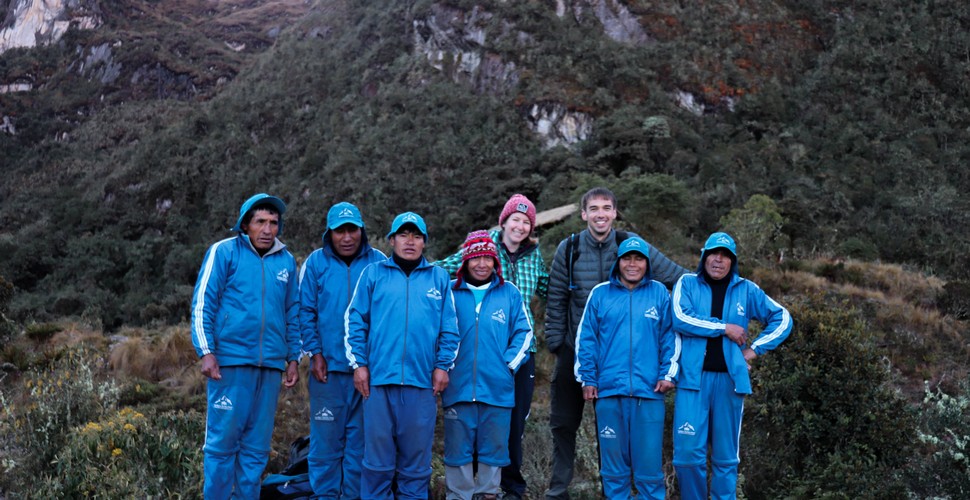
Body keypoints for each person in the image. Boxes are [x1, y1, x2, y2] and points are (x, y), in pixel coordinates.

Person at [544, 186, 689, 499]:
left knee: (614, 435)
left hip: (630, 364)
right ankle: (559, 491)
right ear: (584, 214)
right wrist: (558, 345)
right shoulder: (568, 249)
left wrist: (718, 287)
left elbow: (680, 277)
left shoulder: (629, 246)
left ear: (614, 213)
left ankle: (612, 490)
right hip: (577, 352)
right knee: (563, 424)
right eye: (593, 208)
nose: (600, 214)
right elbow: (555, 299)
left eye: (606, 208)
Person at [434, 193, 548, 500]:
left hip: (498, 384)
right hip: (458, 385)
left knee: (496, 445)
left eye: (488, 257)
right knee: (458, 448)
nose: (482, 263)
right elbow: (439, 330)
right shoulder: (451, 293)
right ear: (465, 260)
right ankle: (458, 495)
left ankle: (492, 493)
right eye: (476, 257)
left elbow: (525, 331)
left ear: (494, 260)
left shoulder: (510, 290)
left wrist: (507, 364)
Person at [190, 193, 301, 499]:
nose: (268, 229)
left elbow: (293, 310)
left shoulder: (286, 260)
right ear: (246, 224)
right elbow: (203, 303)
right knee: (222, 445)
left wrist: (293, 357)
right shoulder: (224, 252)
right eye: (260, 222)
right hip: (230, 364)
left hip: (269, 367)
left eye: (273, 223)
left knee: (255, 449)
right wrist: (206, 351)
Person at [344, 211, 460, 499]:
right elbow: (355, 320)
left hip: (422, 385)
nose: (410, 241)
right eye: (404, 235)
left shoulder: (439, 279)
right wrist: (359, 364)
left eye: (417, 236)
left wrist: (443, 366)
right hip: (378, 385)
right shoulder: (373, 274)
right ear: (392, 240)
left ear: (424, 243)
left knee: (416, 467)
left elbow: (450, 329)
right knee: (376, 464)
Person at [671, 232, 792, 500]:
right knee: (688, 457)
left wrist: (754, 350)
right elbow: (680, 318)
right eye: (714, 253)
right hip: (693, 380)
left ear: (732, 261)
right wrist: (724, 328)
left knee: (726, 459)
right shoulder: (687, 283)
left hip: (729, 382)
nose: (718, 260)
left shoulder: (746, 289)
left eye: (725, 256)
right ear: (704, 256)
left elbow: (782, 318)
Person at [573, 236, 678, 499]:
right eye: (627, 258)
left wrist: (667, 374)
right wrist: (588, 378)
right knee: (613, 471)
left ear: (647, 263)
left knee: (649, 470)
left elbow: (670, 338)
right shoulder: (600, 294)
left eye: (639, 259)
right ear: (618, 262)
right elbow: (587, 339)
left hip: (649, 393)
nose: (633, 264)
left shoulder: (660, 295)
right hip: (609, 394)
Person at [299, 202, 386, 499]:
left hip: (367, 372)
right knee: (325, 442)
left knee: (360, 444)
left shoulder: (379, 263)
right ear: (329, 233)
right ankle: (325, 496)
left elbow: (388, 316)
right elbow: (305, 311)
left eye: (353, 230)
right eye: (340, 231)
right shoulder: (315, 263)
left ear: (362, 230)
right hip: (328, 371)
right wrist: (316, 353)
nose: (347, 237)